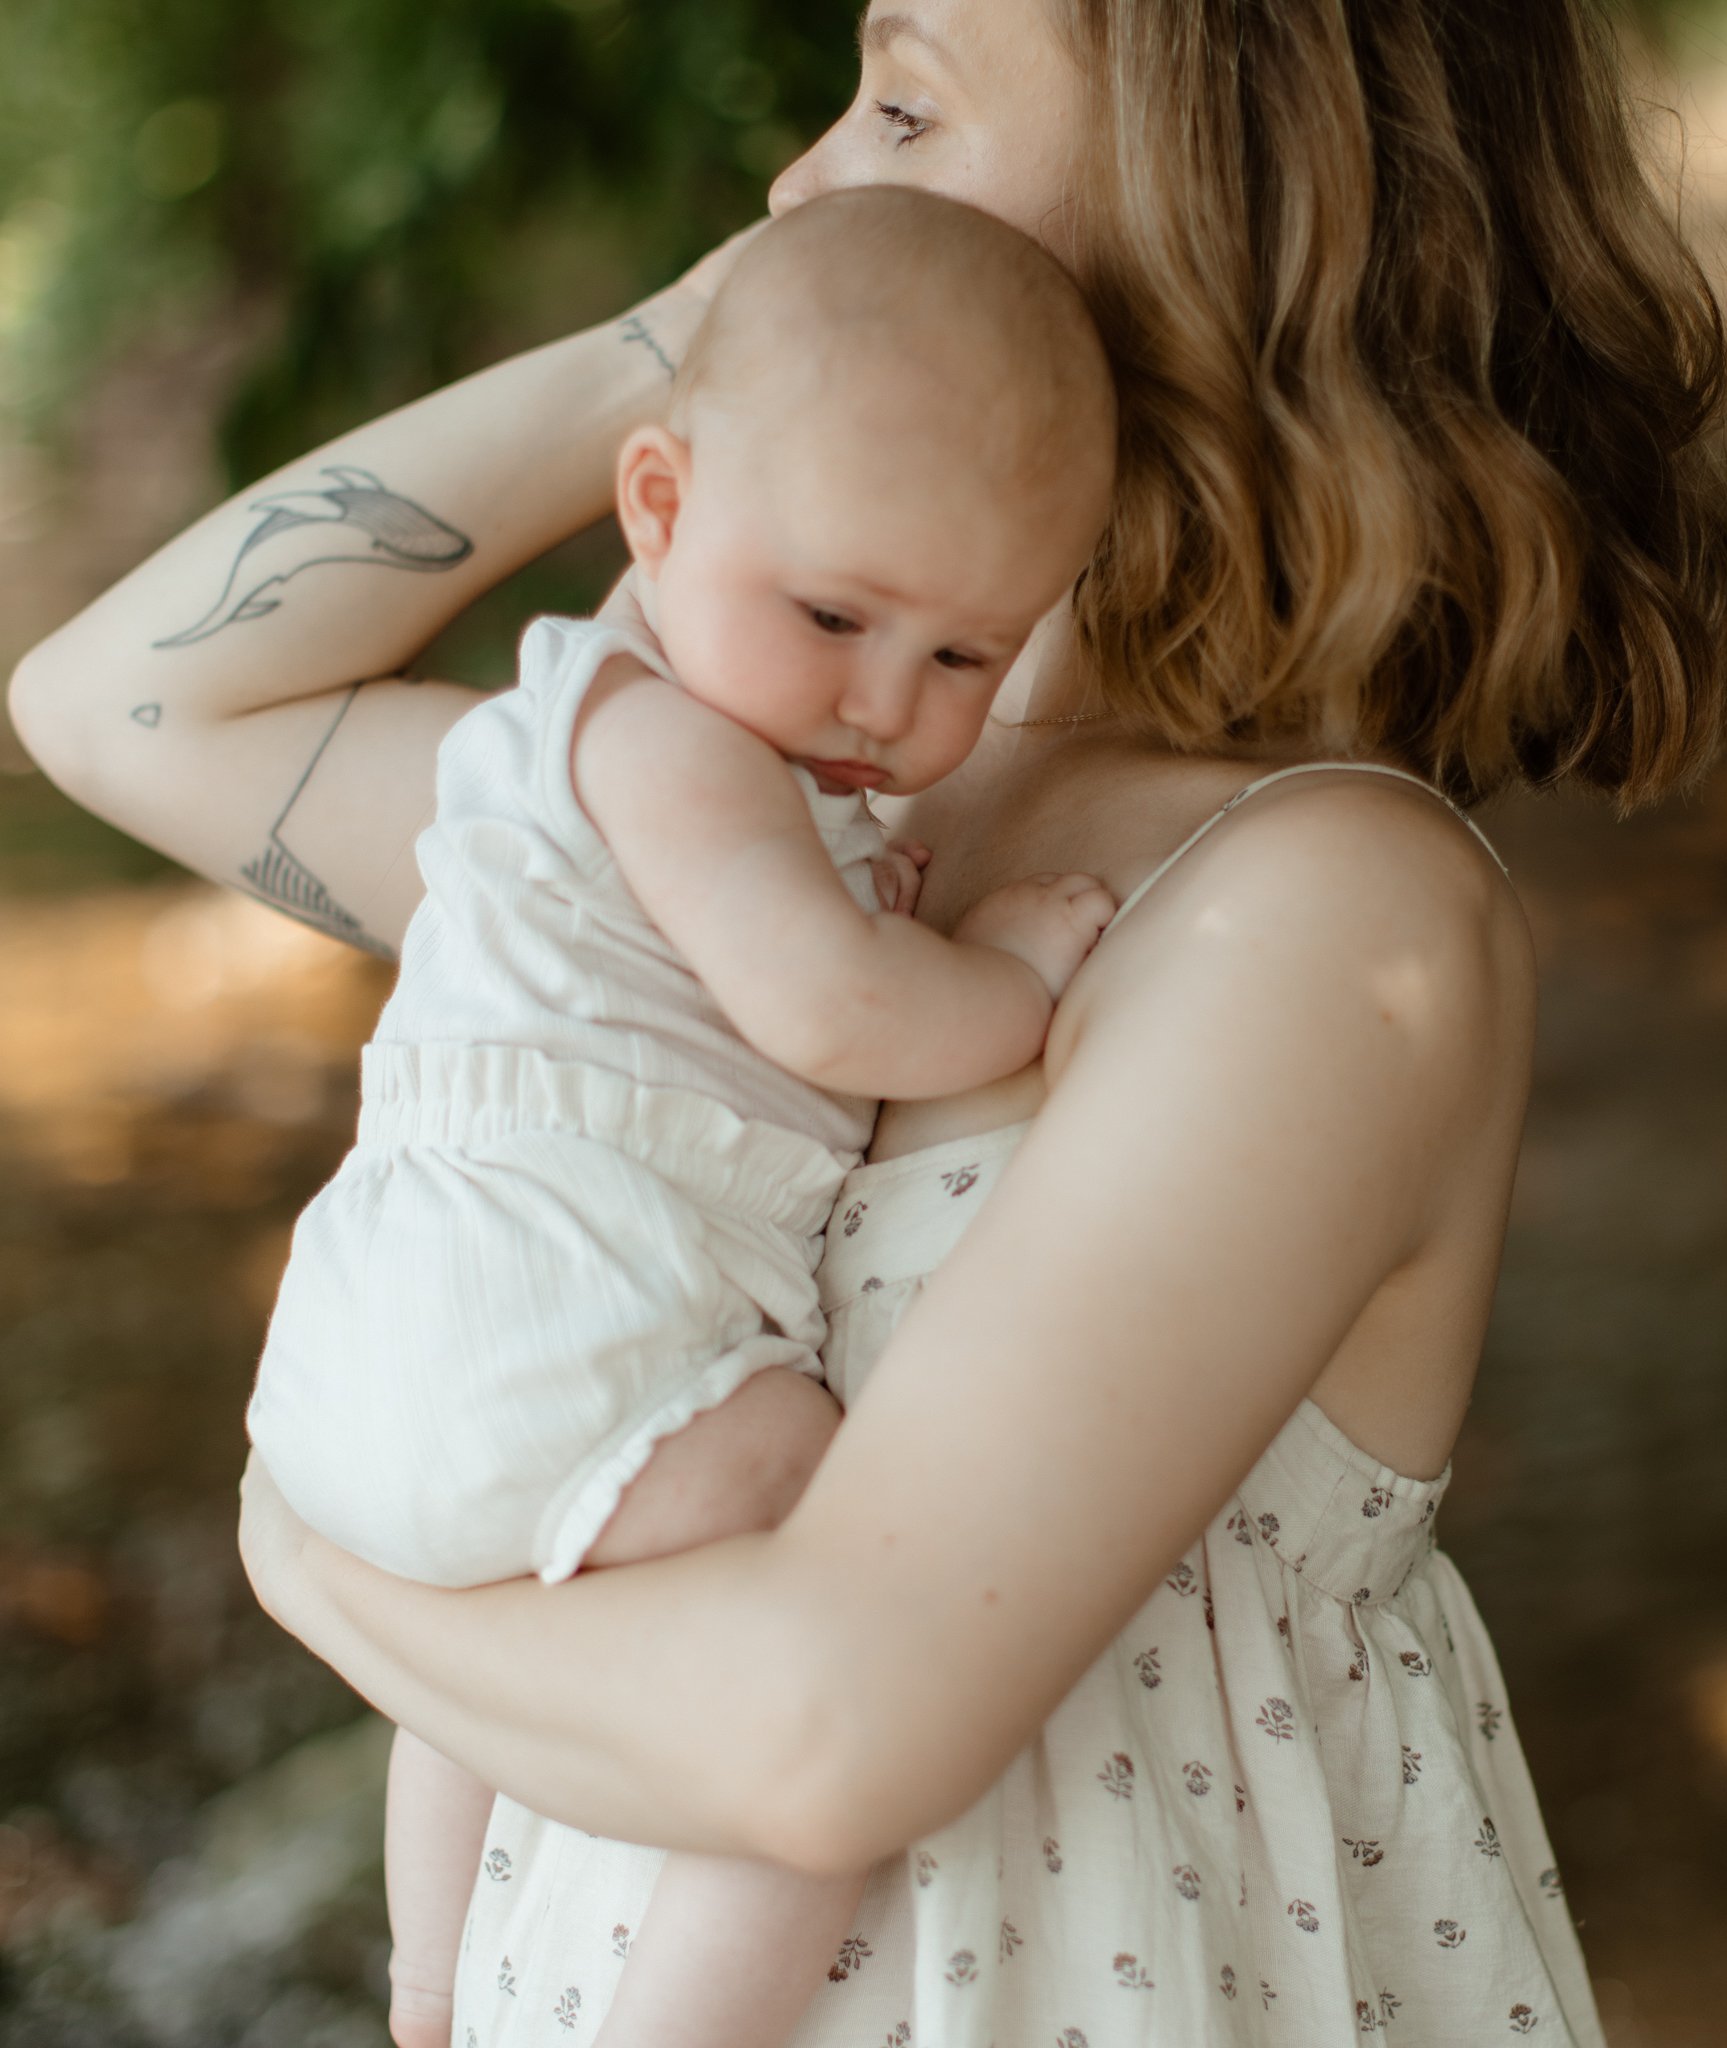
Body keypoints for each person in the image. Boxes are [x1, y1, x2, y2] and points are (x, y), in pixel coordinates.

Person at [7, 1, 1727, 2042]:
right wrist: (688, 364)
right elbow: (118, 707)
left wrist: (332, 1583)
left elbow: (827, 1729)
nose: (794, 180)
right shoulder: (787, 816)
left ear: (1226, 213)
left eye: (906, 103)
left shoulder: (1308, 915)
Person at [242, 186, 1119, 2048]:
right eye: (833, 613)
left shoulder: (681, 748)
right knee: (835, 1617)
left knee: (467, 1635)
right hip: (545, 1314)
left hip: (383, 1355)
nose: (885, 700)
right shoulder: (666, 740)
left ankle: (425, 1986)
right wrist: (1020, 975)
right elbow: (833, 1009)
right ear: (655, 505)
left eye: (966, 658)